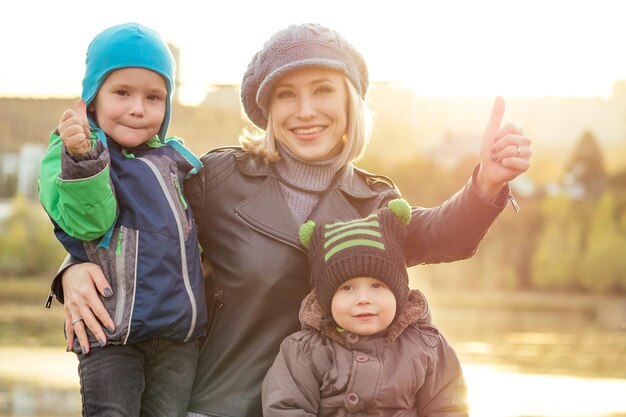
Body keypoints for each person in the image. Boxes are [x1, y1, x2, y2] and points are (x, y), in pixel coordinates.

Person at [48, 23, 531, 417]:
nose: (306, 112)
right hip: (219, 406)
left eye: (322, 90)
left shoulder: (375, 201)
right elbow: (130, 217)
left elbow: (443, 234)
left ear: (349, 102)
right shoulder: (218, 178)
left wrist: (487, 181)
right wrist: (71, 267)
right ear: (267, 109)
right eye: (286, 96)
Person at [38, 22, 207, 417]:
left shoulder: (175, 162)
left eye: (154, 97)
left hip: (177, 337)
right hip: (111, 333)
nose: (138, 108)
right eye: (122, 93)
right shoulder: (71, 155)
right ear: (92, 99)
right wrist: (83, 159)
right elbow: (88, 224)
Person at [262, 198, 468, 416]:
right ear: (325, 299)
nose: (363, 299)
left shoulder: (427, 347)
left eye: (376, 285)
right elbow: (286, 408)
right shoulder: (304, 351)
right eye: (347, 288)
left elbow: (448, 407)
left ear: (399, 294)